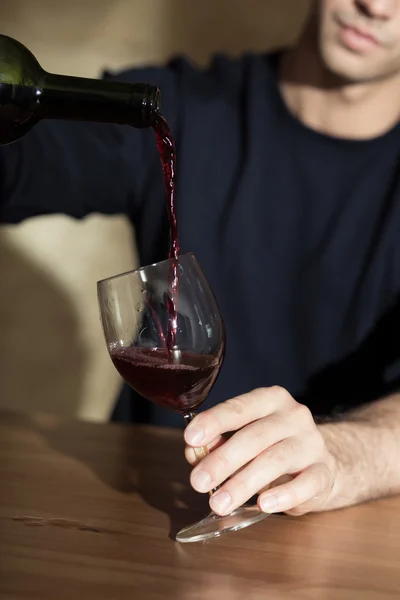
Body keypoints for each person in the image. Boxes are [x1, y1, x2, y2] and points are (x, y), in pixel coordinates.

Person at [2, 0, 400, 518]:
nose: (375, 4)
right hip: (135, 522)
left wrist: (346, 454)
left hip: (334, 545)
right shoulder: (180, 111)